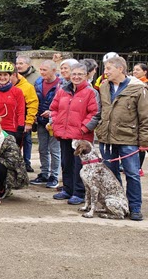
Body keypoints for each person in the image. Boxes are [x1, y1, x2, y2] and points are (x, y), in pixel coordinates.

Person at [95, 55, 147, 221]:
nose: (106, 72)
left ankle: (135, 207)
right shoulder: (104, 86)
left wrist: (144, 142)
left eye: (109, 69)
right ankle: (118, 205)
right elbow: (101, 111)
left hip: (128, 138)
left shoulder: (138, 88)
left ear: (120, 69)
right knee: (111, 174)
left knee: (132, 174)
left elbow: (145, 117)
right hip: (107, 138)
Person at [49, 62, 99, 206]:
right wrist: (55, 123)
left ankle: (79, 192)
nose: (76, 77)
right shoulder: (62, 90)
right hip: (64, 134)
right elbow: (54, 108)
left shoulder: (91, 92)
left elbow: (95, 113)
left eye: (80, 74)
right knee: (66, 163)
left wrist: (83, 129)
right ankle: (67, 189)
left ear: (86, 75)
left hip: (81, 137)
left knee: (80, 165)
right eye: (74, 74)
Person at [30, 60, 62, 188]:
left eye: (45, 70)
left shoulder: (61, 84)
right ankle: (44, 174)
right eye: (41, 70)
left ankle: (54, 176)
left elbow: (64, 104)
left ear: (54, 70)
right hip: (41, 121)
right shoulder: (38, 83)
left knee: (54, 150)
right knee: (42, 149)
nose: (42, 73)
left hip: (55, 121)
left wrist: (53, 112)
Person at [13, 66, 39, 164]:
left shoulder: (27, 87)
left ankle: (26, 163)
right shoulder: (0, 85)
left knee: (24, 143)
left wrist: (29, 122)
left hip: (22, 121)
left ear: (14, 75)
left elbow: (33, 105)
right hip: (7, 122)